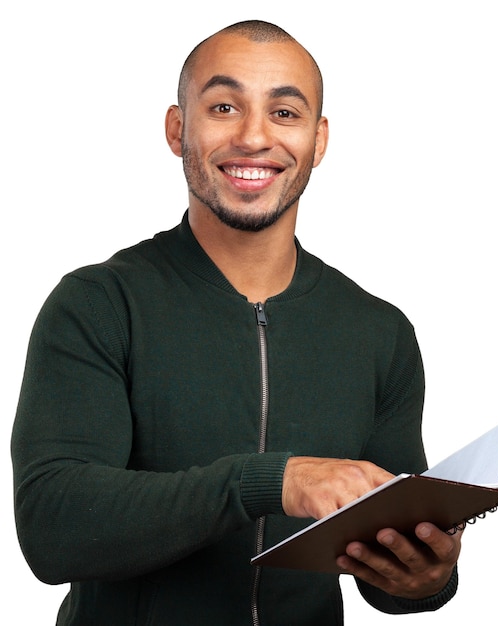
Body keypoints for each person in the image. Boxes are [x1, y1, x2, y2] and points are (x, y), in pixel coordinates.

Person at [11, 19, 461, 625]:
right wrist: (269, 483)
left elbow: (386, 566)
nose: (254, 137)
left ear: (318, 141)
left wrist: (426, 576)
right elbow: (53, 526)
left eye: (284, 113)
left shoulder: (380, 334)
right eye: (224, 106)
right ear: (178, 129)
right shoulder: (97, 304)